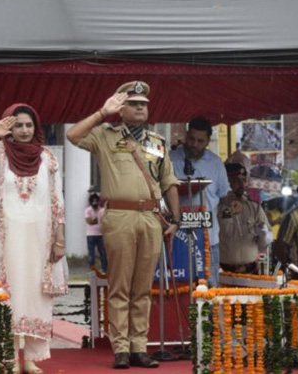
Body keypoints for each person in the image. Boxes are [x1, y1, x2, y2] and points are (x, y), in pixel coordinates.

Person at [67, 81, 180, 370]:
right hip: (120, 215)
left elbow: (169, 182)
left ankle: (138, 348)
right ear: (122, 107)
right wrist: (101, 113)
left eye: (143, 104)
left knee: (142, 287)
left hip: (151, 218)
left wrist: (176, 220)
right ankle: (120, 349)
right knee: (119, 286)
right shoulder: (106, 135)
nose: (140, 108)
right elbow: (72, 134)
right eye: (133, 103)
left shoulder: (156, 142)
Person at [0, 104, 68, 374]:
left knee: (33, 295)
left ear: (36, 127)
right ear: (9, 127)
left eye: (28, 125)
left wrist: (59, 239)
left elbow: (57, 201)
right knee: (4, 293)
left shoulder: (47, 158)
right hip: (3, 240)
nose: (23, 130)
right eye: (17, 125)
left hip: (38, 240)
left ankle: (29, 359)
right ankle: (6, 356)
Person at [169, 117, 230, 287]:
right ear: (186, 135)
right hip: (178, 237)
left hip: (208, 239)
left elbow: (225, 194)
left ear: (207, 142)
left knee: (210, 289)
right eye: (191, 139)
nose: (194, 144)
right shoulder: (170, 159)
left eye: (200, 141)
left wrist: (231, 205)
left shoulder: (216, 163)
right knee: (180, 286)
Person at [217, 163, 272, 274]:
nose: (242, 184)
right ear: (226, 181)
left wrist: (264, 234)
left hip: (251, 270)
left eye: (243, 180)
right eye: (237, 180)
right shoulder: (217, 207)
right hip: (224, 270)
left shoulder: (254, 207)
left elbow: (265, 243)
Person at [84, 193, 107, 273]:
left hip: (100, 234)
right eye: (93, 201)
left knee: (103, 253)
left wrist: (95, 219)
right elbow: (89, 221)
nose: (95, 203)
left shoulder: (101, 210)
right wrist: (98, 219)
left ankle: (105, 270)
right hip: (90, 235)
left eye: (96, 201)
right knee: (91, 254)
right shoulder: (88, 210)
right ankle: (92, 270)